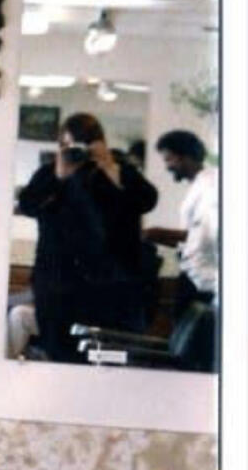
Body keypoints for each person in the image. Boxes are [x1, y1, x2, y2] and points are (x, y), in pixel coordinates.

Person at [17, 113, 158, 362]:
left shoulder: (119, 171)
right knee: (58, 354)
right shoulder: (50, 174)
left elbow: (147, 201)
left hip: (109, 288)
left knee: (103, 357)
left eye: (87, 143)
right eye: (73, 145)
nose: (80, 152)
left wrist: (111, 169)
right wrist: (59, 178)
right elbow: (28, 205)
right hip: (57, 283)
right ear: (62, 145)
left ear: (101, 143)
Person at [145, 129, 218, 318]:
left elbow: (205, 236)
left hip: (202, 280)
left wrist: (154, 232)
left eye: (169, 159)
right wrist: (156, 236)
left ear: (186, 157)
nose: (167, 166)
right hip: (193, 276)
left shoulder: (210, 187)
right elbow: (190, 238)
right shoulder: (199, 186)